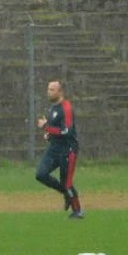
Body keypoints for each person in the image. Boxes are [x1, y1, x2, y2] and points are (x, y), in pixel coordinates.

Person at [35, 80, 83, 218]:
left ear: (60, 92)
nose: (48, 92)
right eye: (48, 89)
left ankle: (77, 211)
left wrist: (45, 127)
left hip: (68, 150)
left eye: (52, 89)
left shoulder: (66, 108)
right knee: (41, 174)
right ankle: (66, 193)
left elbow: (66, 131)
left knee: (66, 182)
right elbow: (56, 130)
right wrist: (48, 135)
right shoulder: (52, 108)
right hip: (54, 149)